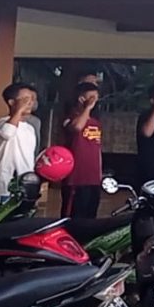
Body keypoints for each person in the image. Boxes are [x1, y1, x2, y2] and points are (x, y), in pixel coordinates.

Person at [0, 83, 39, 209]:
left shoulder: (30, 128)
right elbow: (8, 132)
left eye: (31, 99)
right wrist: (19, 110)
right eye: (25, 99)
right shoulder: (2, 122)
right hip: (4, 187)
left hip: (25, 187)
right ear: (11, 102)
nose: (30, 103)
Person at [60, 82, 103, 219]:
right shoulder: (70, 118)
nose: (94, 101)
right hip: (76, 177)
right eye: (91, 97)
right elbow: (77, 127)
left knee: (90, 214)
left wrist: (100, 173)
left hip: (93, 177)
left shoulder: (96, 122)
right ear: (81, 99)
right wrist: (87, 108)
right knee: (74, 215)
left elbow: (97, 147)